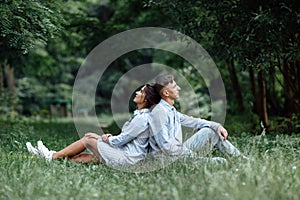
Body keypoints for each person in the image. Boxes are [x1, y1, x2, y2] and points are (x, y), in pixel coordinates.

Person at [26, 83, 161, 166]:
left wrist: (106, 139)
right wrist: (109, 137)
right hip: (128, 157)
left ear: (146, 99)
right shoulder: (141, 116)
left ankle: (51, 156)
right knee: (93, 157)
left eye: (141, 91)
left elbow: (122, 140)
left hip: (128, 160)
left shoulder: (142, 119)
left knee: (88, 139)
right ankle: (52, 158)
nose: (137, 92)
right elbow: (128, 138)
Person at [149, 74, 248, 162]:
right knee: (220, 162)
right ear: (166, 93)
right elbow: (165, 146)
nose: (178, 88)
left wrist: (216, 126)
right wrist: (188, 153)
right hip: (169, 160)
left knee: (209, 131)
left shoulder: (171, 110)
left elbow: (194, 122)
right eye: (174, 87)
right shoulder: (159, 113)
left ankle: (241, 159)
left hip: (179, 152)